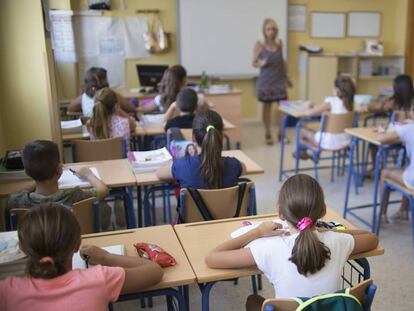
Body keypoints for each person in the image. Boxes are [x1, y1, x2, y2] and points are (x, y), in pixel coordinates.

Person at [205, 174, 379, 310]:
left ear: (280, 213)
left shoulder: (270, 248)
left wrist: (257, 231)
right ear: (323, 211)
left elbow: (212, 258)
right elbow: (371, 237)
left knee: (253, 300)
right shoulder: (338, 241)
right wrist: (328, 231)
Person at [0, 203, 163, 311]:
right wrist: (107, 258)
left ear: (21, 248)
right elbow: (154, 270)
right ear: (78, 243)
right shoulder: (99, 279)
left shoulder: (7, 291)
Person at [156, 110, 245, 189]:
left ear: (193, 138)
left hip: (192, 209)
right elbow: (244, 168)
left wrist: (173, 162)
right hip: (228, 208)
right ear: (221, 138)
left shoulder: (183, 166)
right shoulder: (234, 165)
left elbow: (159, 173)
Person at [8, 140, 108, 210]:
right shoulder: (75, 196)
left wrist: (39, 176)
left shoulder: (19, 201)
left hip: (35, 241)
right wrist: (89, 174)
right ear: (59, 170)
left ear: (27, 173)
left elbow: (15, 194)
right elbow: (103, 191)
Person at [253, 18, 292, 145]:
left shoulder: (280, 44)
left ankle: (281, 133)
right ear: (264, 31)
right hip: (266, 81)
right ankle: (268, 133)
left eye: (273, 29)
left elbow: (283, 62)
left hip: (280, 80)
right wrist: (261, 63)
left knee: (283, 108)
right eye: (269, 29)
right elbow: (253, 62)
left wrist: (287, 77)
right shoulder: (259, 45)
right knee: (267, 108)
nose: (271, 31)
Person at [296, 76, 355, 159]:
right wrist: (316, 106)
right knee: (317, 135)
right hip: (345, 142)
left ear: (337, 90)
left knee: (302, 130)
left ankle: (309, 153)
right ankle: (313, 153)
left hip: (328, 143)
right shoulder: (351, 104)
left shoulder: (331, 101)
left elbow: (310, 113)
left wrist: (307, 105)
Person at [377, 100, 414, 222]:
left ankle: (382, 214)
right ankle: (403, 211)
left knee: (385, 172)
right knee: (407, 169)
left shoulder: (408, 128)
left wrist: (384, 131)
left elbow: (381, 139)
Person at [67, 67, 138, 117]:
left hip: (92, 134)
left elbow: (70, 109)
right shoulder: (110, 95)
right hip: (113, 134)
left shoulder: (83, 97)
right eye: (106, 78)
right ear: (103, 81)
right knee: (134, 100)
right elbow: (132, 109)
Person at [138, 65, 207, 114]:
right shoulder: (198, 98)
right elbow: (208, 115)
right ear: (184, 80)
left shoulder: (161, 99)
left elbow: (143, 109)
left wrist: (137, 108)